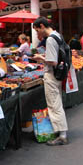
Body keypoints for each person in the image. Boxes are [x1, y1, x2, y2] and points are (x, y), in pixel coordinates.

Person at [32, 17, 68, 146]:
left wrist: (40, 58)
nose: (37, 34)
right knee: (57, 103)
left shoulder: (51, 40)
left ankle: (62, 135)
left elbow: (53, 61)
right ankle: (61, 131)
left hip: (52, 75)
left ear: (42, 26)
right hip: (58, 75)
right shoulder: (58, 35)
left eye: (37, 30)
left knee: (54, 105)